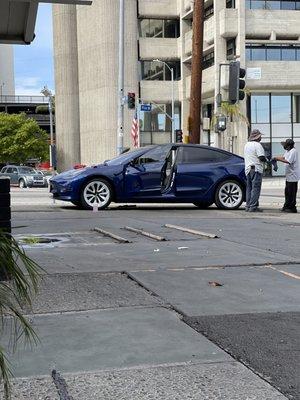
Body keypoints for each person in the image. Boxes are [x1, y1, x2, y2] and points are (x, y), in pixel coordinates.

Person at [273, 139, 300, 213]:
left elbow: (288, 161)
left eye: (285, 145)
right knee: (287, 192)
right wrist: (276, 158)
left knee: (291, 193)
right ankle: (286, 206)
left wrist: (277, 159)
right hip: (289, 176)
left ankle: (292, 208)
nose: (284, 146)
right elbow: (284, 158)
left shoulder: (293, 151)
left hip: (293, 176)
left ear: (289, 146)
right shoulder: (288, 151)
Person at [244, 129, 267, 212]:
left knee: (249, 188)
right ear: (257, 137)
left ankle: (248, 206)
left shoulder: (247, 144)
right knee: (256, 188)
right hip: (256, 169)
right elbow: (261, 157)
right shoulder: (257, 145)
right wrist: (267, 160)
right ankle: (253, 207)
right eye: (260, 136)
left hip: (248, 169)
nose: (261, 137)